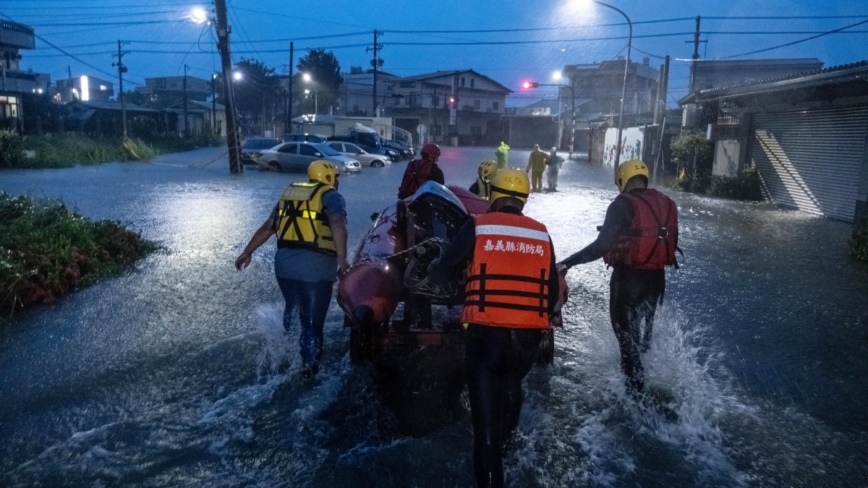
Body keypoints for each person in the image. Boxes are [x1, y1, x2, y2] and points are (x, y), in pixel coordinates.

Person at [429, 169, 560, 488]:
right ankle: (511, 448)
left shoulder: (478, 226)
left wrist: (437, 269)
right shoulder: (542, 234)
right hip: (526, 345)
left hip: (486, 342)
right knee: (511, 382)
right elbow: (552, 293)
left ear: (492, 194)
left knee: (484, 435)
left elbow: (441, 274)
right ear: (524, 200)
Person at [557, 160, 678, 397]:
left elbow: (601, 246)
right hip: (656, 282)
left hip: (629, 282)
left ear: (621, 179)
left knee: (627, 347)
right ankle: (640, 387)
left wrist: (567, 263)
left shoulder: (622, 204)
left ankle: (635, 401)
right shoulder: (666, 202)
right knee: (641, 342)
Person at [235, 160, 349, 380]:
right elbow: (336, 221)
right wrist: (343, 259)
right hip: (315, 267)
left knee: (294, 308)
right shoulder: (331, 196)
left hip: (284, 264)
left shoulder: (290, 193)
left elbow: (269, 226)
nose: (337, 181)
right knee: (313, 323)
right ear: (328, 178)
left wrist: (247, 251)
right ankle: (310, 372)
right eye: (336, 177)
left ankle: (287, 354)